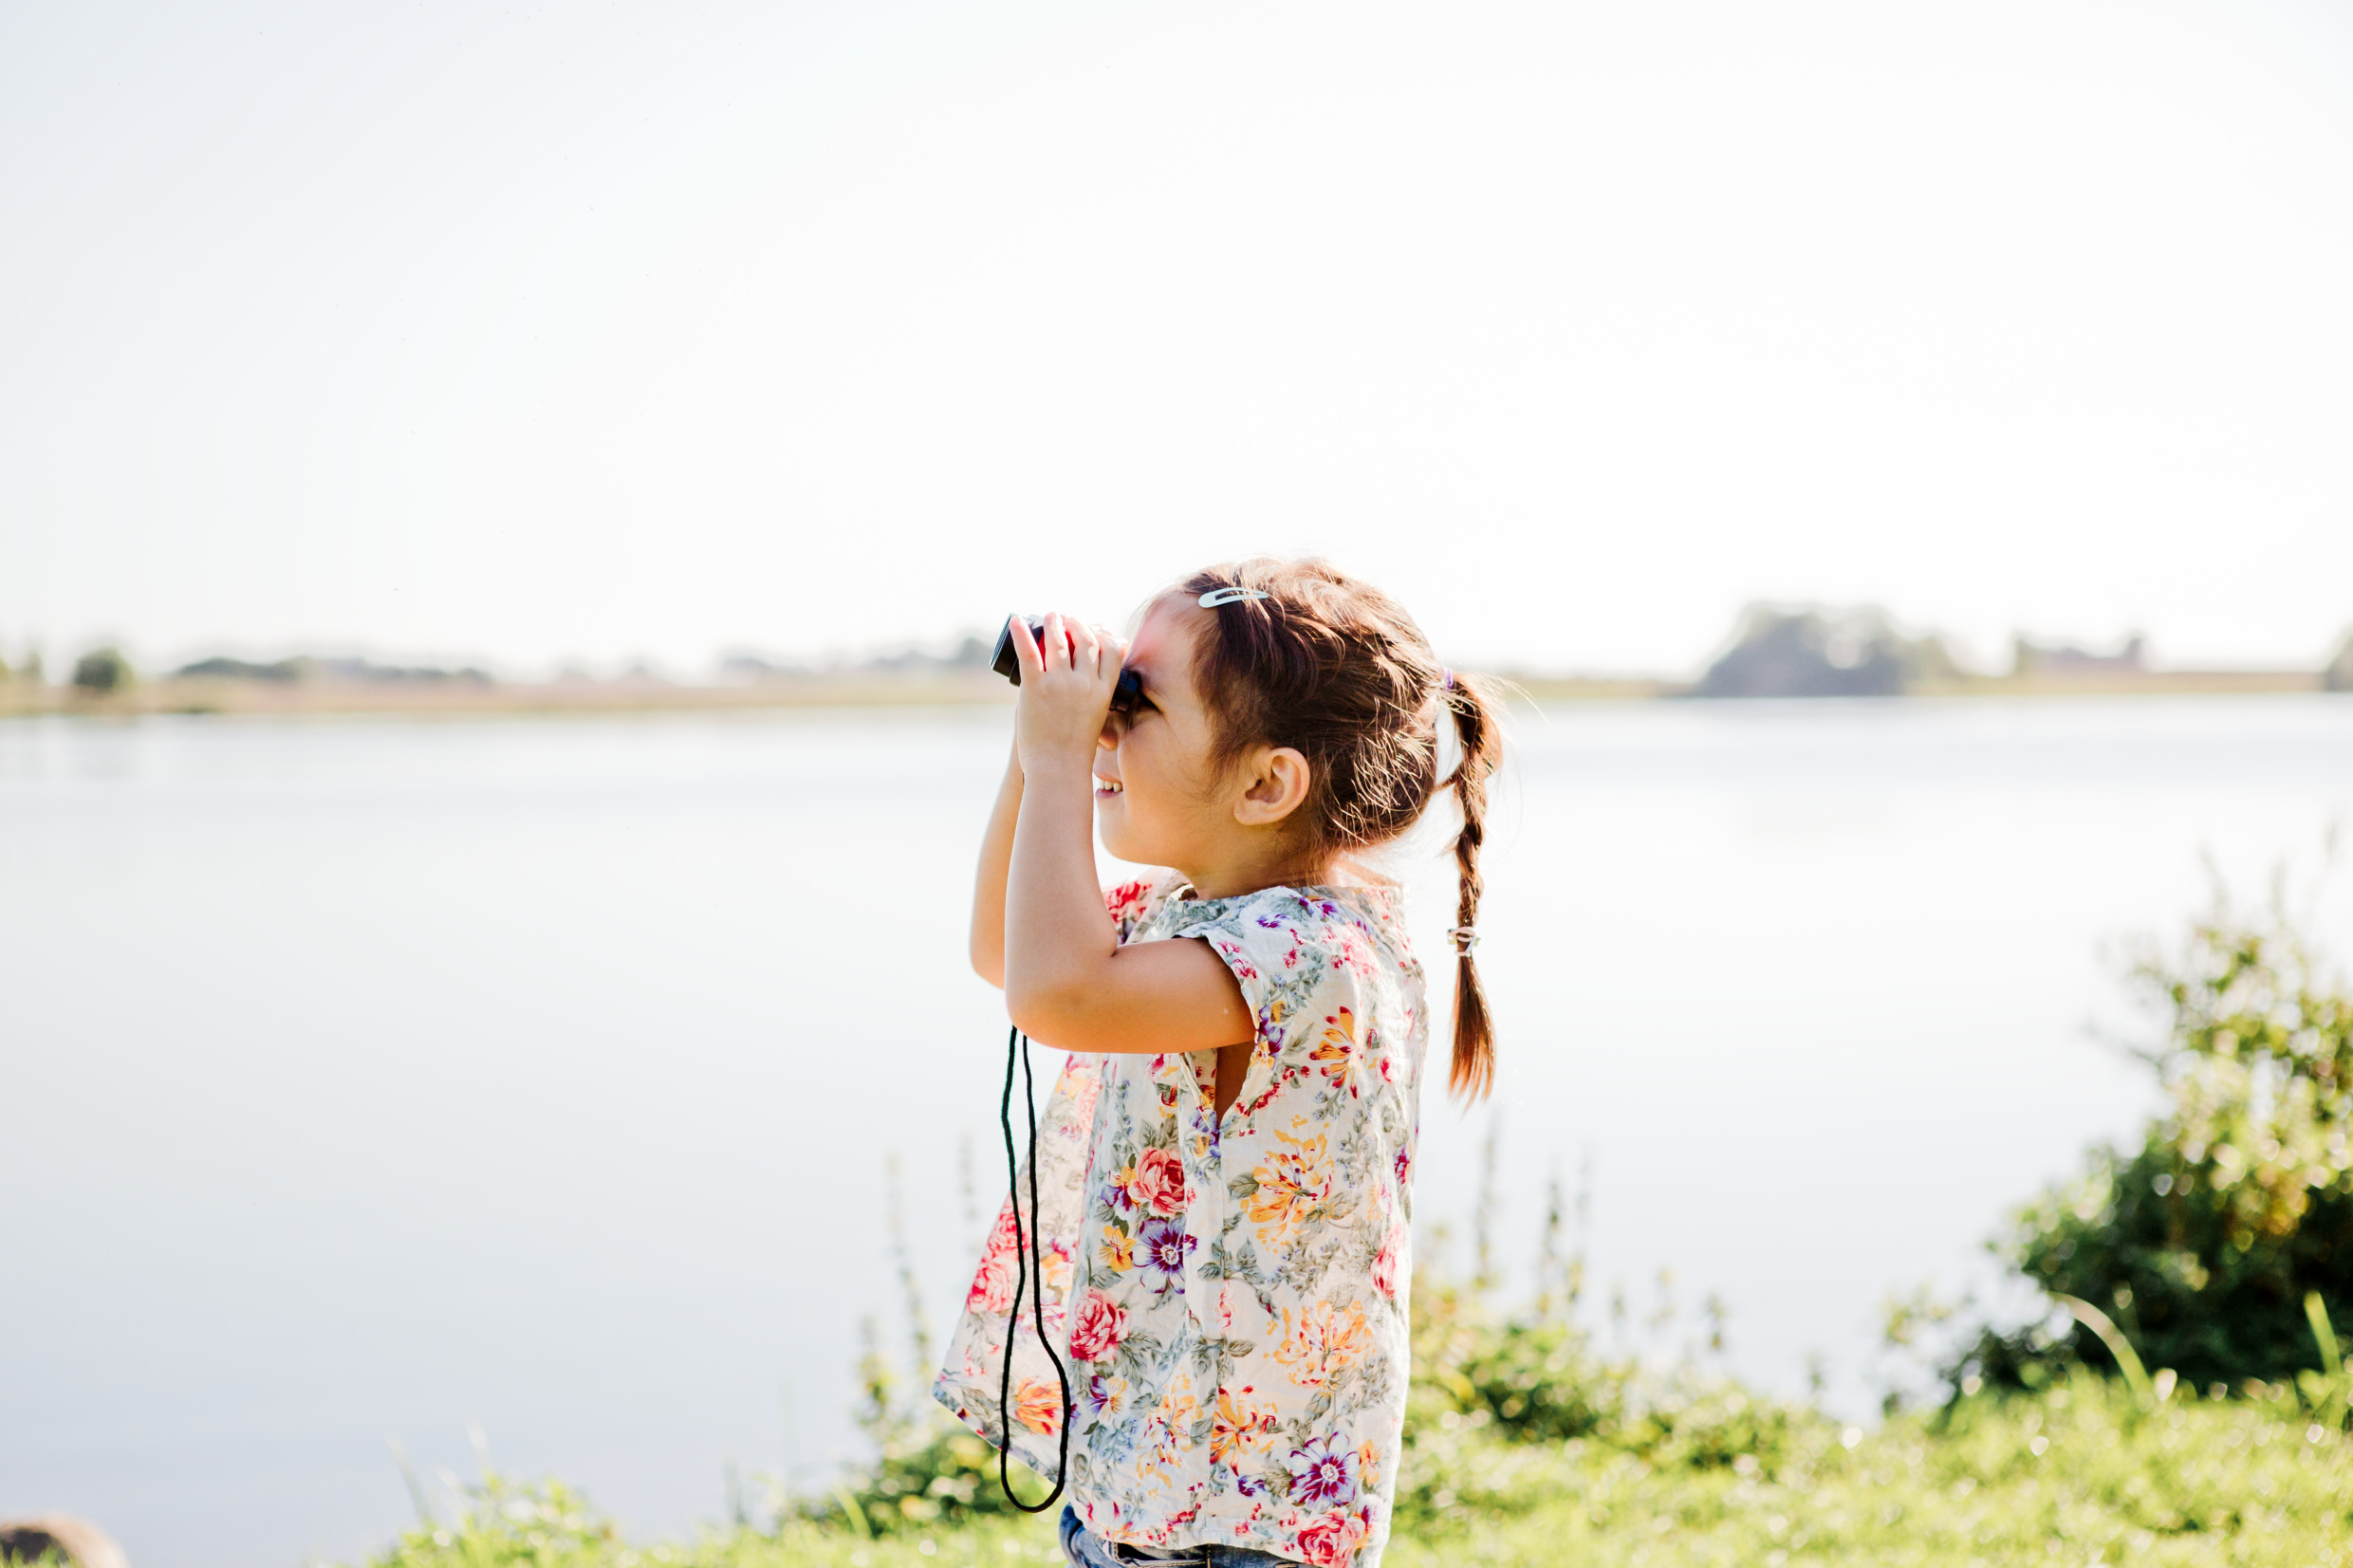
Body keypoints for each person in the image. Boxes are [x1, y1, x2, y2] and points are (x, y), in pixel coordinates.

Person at [936, 558, 1503, 1568]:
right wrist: (1040, 751)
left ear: (1265, 782)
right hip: (1155, 1480)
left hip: (1235, 1518)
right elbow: (1007, 954)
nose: (1105, 724)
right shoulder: (1195, 920)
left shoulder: (1310, 955)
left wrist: (1064, 759)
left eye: (1133, 704)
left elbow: (1053, 995)